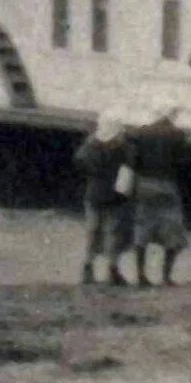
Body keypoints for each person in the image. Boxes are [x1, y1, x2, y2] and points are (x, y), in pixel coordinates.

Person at [123, 105, 191, 286]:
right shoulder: (178, 135)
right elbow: (184, 163)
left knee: (143, 229)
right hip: (167, 185)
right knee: (173, 230)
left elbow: (132, 161)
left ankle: (140, 275)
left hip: (144, 184)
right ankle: (166, 276)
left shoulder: (140, 133)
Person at [73, 111, 133, 286]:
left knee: (93, 232)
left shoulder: (90, 146)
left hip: (94, 194)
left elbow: (79, 161)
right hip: (116, 196)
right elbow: (132, 165)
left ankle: (88, 268)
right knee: (114, 233)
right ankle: (112, 270)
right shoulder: (123, 148)